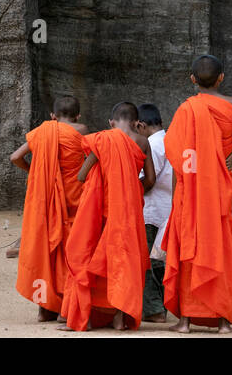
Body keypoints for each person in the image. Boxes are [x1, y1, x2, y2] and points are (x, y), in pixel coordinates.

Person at [163, 54, 232, 333]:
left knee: (191, 245)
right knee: (220, 249)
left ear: (192, 80)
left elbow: (175, 152)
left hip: (191, 191)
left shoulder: (187, 108)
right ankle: (223, 321)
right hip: (218, 190)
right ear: (222, 78)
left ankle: (186, 321)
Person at [61, 102, 155, 331]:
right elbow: (150, 179)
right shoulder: (143, 142)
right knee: (124, 261)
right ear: (136, 123)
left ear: (111, 122)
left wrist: (102, 179)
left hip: (101, 212)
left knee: (93, 259)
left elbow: (82, 176)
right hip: (128, 212)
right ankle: (119, 317)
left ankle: (89, 316)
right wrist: (130, 189)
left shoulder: (102, 139)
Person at [10, 95, 88, 320]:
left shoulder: (43, 131)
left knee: (47, 250)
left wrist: (36, 172)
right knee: (70, 250)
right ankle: (66, 307)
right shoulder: (81, 129)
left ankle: (45, 308)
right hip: (74, 197)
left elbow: (15, 157)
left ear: (53, 116)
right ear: (78, 115)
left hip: (46, 198)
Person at [137, 103, 172, 323]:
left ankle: (154, 310)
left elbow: (149, 179)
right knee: (159, 261)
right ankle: (162, 306)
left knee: (145, 263)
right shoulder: (171, 140)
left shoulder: (152, 144)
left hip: (150, 210)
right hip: (167, 209)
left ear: (140, 125)